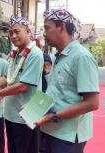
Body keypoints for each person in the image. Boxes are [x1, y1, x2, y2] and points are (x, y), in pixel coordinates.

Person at [35, 9, 99, 153]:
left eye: (47, 28)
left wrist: (53, 116)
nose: (44, 33)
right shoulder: (58, 56)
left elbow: (92, 103)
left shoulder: (81, 57)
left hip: (67, 137)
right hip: (50, 130)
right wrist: (32, 109)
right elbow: (56, 92)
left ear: (62, 27)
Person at [0, 16, 44, 153]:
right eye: (10, 33)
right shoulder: (14, 54)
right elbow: (7, 77)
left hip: (28, 115)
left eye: (17, 32)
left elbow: (23, 85)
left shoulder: (35, 54)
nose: (13, 36)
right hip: (11, 114)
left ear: (28, 31)